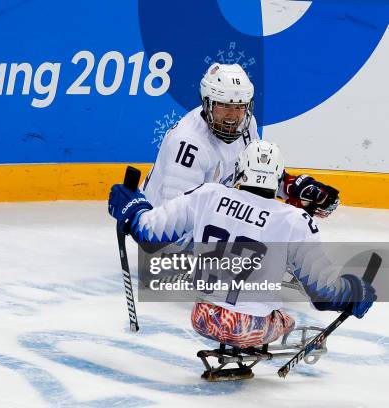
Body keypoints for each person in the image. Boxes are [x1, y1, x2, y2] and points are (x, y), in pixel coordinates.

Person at [108, 140, 375, 348]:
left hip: (202, 318)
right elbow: (324, 294)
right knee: (288, 318)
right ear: (279, 177)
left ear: (240, 170)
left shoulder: (207, 195)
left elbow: (148, 233)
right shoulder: (295, 220)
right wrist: (355, 291)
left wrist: (132, 206)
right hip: (251, 327)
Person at [142, 63, 340, 219]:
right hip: (162, 237)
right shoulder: (189, 144)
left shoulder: (247, 125)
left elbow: (254, 176)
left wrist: (292, 188)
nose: (232, 116)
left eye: (239, 107)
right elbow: (173, 215)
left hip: (206, 218)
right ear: (207, 104)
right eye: (224, 106)